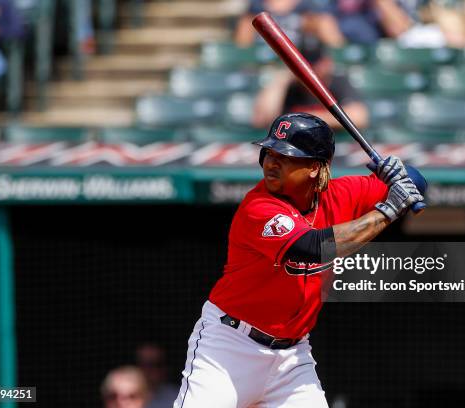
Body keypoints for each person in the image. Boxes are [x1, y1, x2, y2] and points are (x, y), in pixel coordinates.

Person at [173, 112, 424, 407]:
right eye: (268, 153)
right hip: (228, 348)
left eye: (286, 156)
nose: (271, 162)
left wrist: (398, 173)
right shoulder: (259, 206)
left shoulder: (342, 194)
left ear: (315, 168)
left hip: (292, 358)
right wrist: (388, 211)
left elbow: (416, 185)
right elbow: (313, 246)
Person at [252, 43, 368, 130]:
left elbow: (359, 117)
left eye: (314, 63)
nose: (309, 69)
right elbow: (261, 120)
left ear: (327, 62)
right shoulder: (290, 86)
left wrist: (306, 119)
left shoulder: (339, 81)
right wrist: (281, 80)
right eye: (304, 63)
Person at [235, 0, 344, 48]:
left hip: (302, 67)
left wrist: (313, 25)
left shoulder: (310, 8)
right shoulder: (254, 9)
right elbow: (242, 48)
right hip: (265, 70)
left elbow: (336, 46)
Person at [135, 342, 178, 408]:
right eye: (144, 364)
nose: (148, 370)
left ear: (165, 367)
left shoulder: (177, 398)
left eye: (154, 364)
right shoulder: (122, 396)